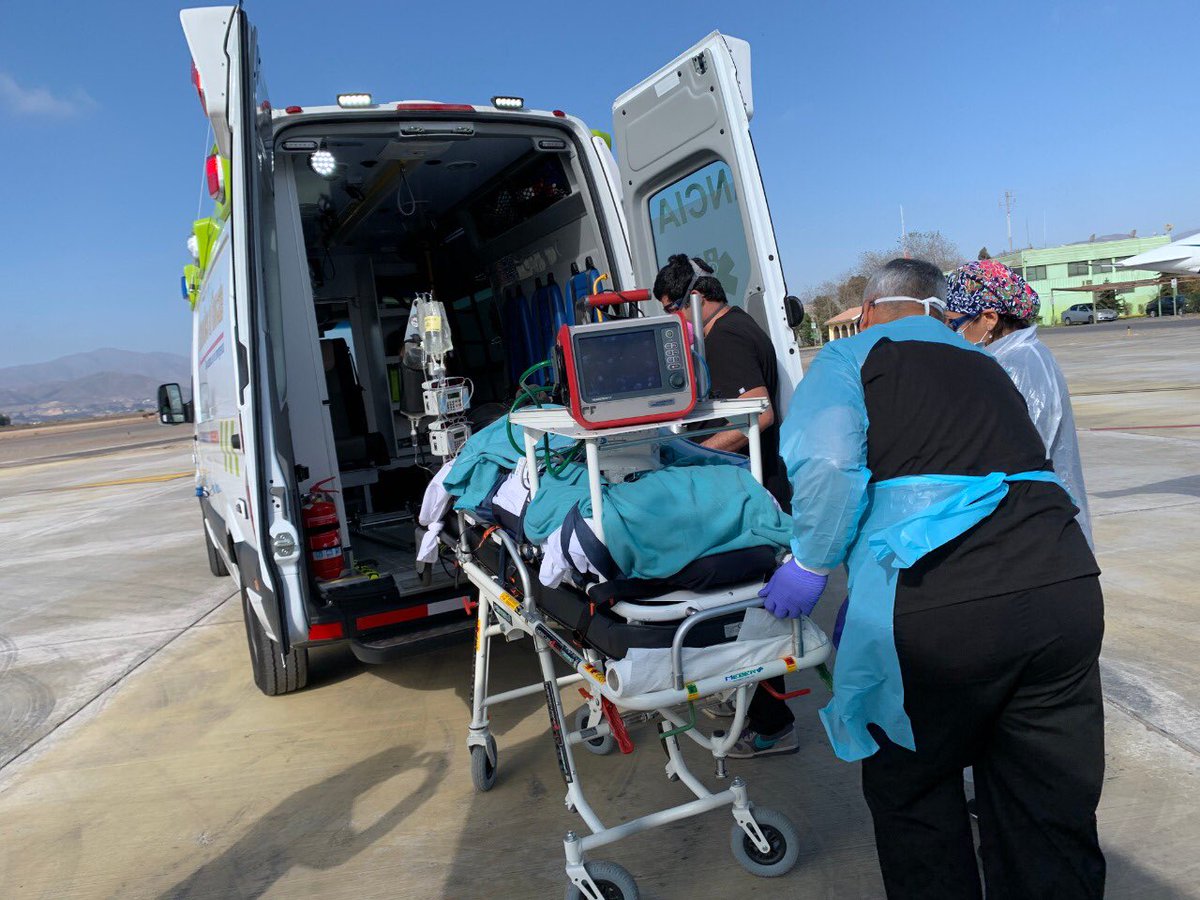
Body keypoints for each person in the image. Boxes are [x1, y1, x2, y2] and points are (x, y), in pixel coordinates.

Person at [761, 257, 1106, 899]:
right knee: (1046, 801)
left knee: (917, 796)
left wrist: (809, 563)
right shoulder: (988, 363)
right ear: (943, 312)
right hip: (1063, 590)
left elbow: (830, 465)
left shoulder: (848, 360)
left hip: (938, 606)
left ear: (868, 310)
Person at [652, 253, 796, 758]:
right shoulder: (732, 327)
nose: (674, 322)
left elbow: (759, 412)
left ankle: (773, 725)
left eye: (672, 310)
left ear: (694, 299)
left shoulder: (726, 335)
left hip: (758, 491)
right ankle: (748, 700)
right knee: (747, 607)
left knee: (751, 611)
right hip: (756, 485)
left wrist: (695, 458)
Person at [945, 259, 1093, 547]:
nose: (953, 331)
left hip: (1035, 519)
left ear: (989, 318)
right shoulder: (1006, 358)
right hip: (1026, 515)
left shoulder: (1020, 364)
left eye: (956, 323)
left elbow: (1019, 452)